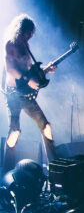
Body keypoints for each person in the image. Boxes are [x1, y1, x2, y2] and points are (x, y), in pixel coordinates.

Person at [2, 14, 57, 172]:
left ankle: (55, 168)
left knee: (46, 127)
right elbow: (11, 70)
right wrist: (28, 80)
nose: (29, 38)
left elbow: (31, 72)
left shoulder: (26, 46)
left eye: (30, 35)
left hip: (26, 96)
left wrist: (46, 70)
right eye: (27, 34)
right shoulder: (10, 44)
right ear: (20, 31)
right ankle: (6, 174)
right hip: (13, 95)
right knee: (14, 132)